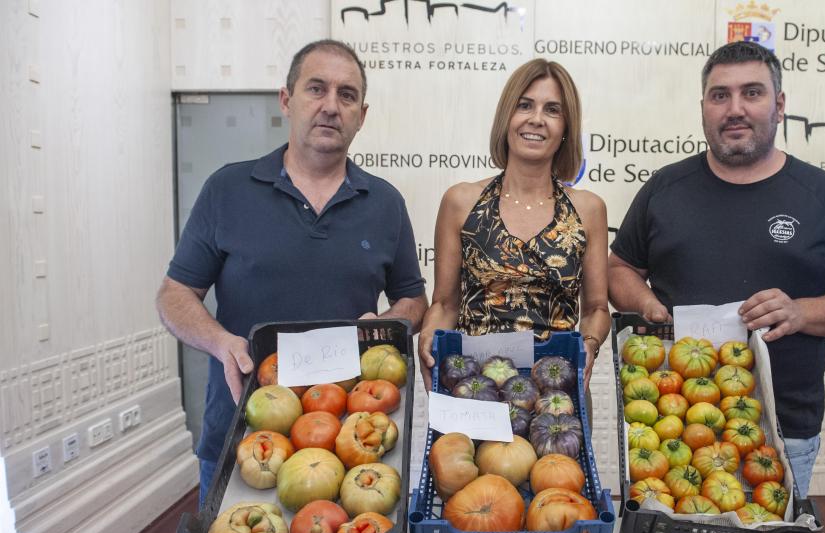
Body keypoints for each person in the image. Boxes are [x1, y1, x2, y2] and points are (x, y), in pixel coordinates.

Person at [608, 41, 825, 533]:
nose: (735, 108)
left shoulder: (821, 194)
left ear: (779, 105)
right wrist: (645, 303)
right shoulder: (666, 187)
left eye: (752, 93)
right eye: (720, 95)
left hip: (780, 432)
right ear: (704, 108)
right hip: (665, 425)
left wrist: (802, 312)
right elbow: (619, 268)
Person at [156, 40, 427, 506]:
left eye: (346, 95)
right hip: (243, 432)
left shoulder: (385, 203)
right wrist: (221, 342)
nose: (331, 106)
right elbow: (175, 293)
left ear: (361, 115)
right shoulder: (227, 189)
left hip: (351, 438)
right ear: (286, 100)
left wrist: (386, 324)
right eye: (316, 89)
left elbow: (414, 299)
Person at [418, 58, 610, 389]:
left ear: (566, 127)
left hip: (557, 391)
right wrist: (428, 335)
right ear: (507, 116)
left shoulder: (589, 209)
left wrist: (589, 344)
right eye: (525, 105)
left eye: (552, 110)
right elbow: (445, 304)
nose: (536, 119)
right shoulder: (460, 201)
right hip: (475, 389)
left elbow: (596, 309)